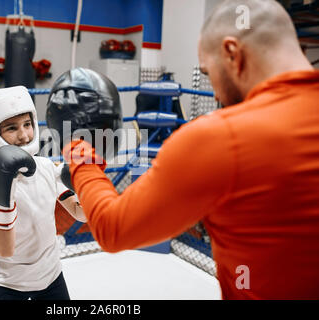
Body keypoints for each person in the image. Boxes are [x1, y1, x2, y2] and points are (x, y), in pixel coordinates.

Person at [57, 0, 319, 299]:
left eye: (208, 73)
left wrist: (78, 151)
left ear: (232, 53)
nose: (216, 92)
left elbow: (112, 229)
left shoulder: (221, 137)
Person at [0, 85, 86, 300]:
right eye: (12, 128)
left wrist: (87, 183)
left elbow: (80, 214)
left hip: (52, 279)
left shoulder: (47, 168)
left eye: (27, 124)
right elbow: (4, 249)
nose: (23, 135)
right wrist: (5, 191)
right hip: (9, 286)